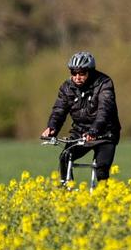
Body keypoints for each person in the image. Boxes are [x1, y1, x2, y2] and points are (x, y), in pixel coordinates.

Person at [41, 51, 121, 183]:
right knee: (65, 157)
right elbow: (59, 110)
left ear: (90, 71)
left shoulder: (104, 83)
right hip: (80, 132)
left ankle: (104, 199)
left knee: (102, 169)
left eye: (82, 73)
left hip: (105, 133)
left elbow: (105, 110)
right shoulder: (67, 87)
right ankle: (68, 194)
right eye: (74, 73)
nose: (77, 77)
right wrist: (52, 127)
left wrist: (94, 130)